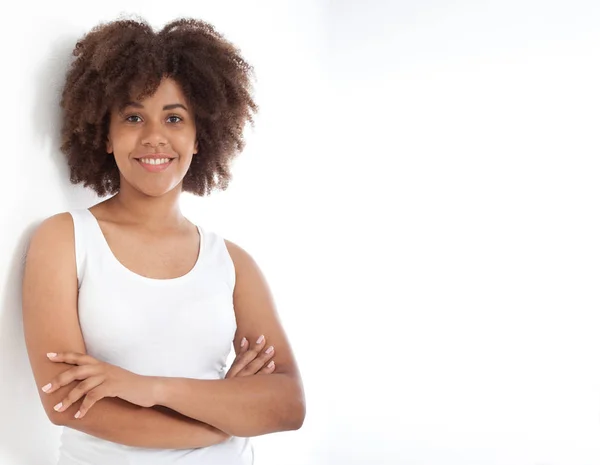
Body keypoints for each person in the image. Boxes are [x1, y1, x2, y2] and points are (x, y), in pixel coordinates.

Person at [21, 17, 305, 464]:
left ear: (199, 138)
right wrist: (221, 420)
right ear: (106, 136)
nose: (154, 136)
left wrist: (146, 388)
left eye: (175, 117)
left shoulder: (232, 263)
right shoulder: (65, 240)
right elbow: (69, 404)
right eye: (133, 117)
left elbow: (287, 405)